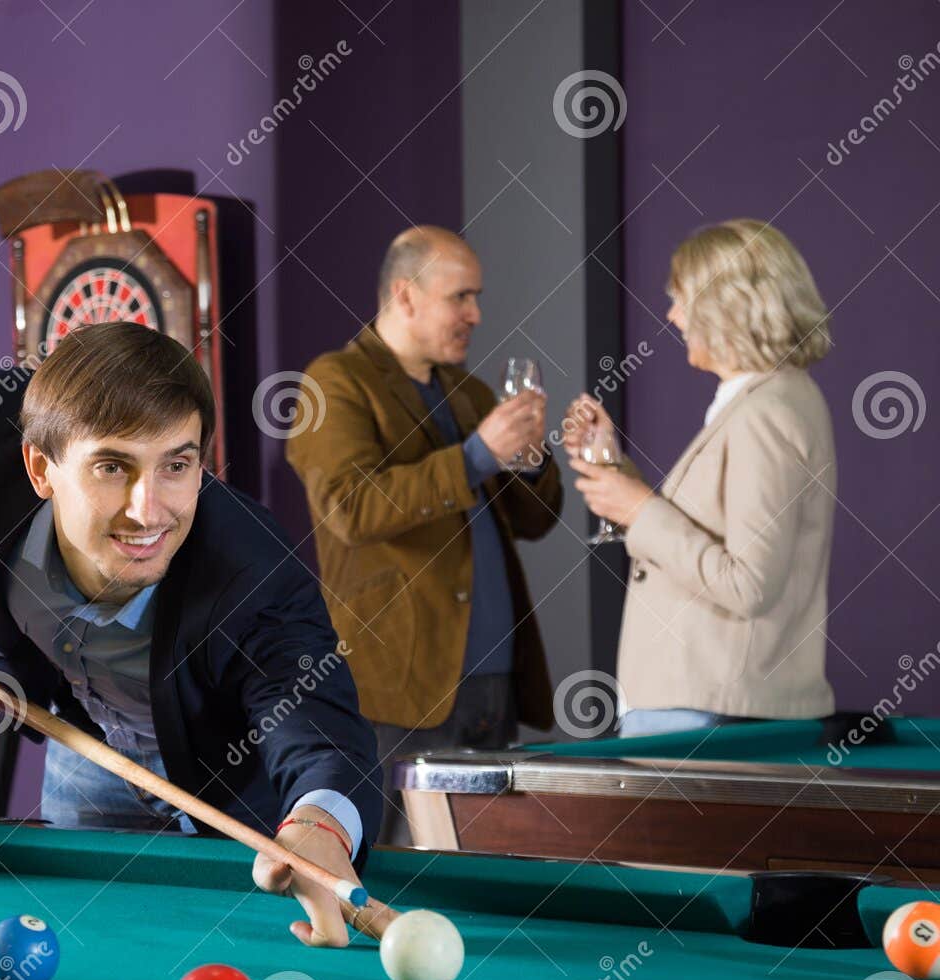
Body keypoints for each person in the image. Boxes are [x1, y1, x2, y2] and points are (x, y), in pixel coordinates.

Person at [0, 322, 382, 948]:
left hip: (221, 785)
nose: (148, 510)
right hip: (88, 751)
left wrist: (321, 825)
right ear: (39, 468)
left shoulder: (251, 572)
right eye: (112, 465)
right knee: (85, 947)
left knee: (213, 957)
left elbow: (318, 728)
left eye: (176, 465)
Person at [285, 226, 563, 843]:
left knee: (490, 869)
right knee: (403, 872)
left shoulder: (468, 391)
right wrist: (476, 456)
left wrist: (532, 458)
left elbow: (537, 522)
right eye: (460, 297)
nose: (476, 314)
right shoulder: (332, 382)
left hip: (493, 679)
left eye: (476, 297)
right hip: (401, 687)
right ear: (406, 295)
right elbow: (351, 507)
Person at [565, 219, 836, 736]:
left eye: (682, 301)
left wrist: (638, 508)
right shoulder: (770, 400)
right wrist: (616, 470)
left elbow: (749, 583)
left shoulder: (765, 413)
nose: (672, 316)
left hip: (710, 709)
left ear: (728, 307)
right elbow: (707, 529)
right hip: (716, 701)